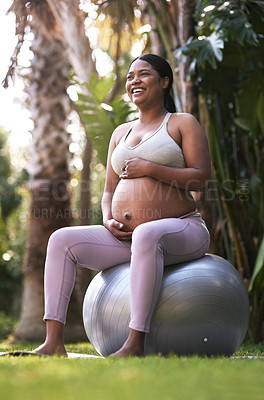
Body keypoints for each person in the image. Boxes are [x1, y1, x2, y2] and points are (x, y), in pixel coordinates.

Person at [33, 54, 211, 358]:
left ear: (164, 82)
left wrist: (150, 168)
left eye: (143, 74)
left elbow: (201, 180)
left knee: (147, 234)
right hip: (126, 240)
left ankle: (135, 343)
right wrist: (107, 219)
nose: (134, 81)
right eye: (130, 77)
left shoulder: (182, 123)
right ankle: (53, 343)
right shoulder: (121, 133)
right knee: (61, 239)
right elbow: (108, 192)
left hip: (184, 228)